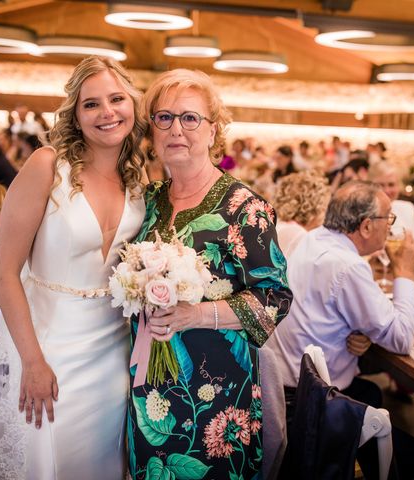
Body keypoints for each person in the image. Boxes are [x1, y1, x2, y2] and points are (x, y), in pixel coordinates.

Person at [0, 56, 147, 479]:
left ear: (132, 103)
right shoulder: (46, 166)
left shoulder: (140, 177)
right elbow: (5, 271)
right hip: (49, 346)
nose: (107, 112)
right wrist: (33, 361)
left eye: (116, 99)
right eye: (91, 104)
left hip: (114, 353)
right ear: (75, 113)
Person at [128, 68, 292, 479]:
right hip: (151, 390)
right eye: (163, 118)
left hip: (217, 394)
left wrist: (194, 314)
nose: (176, 129)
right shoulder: (148, 201)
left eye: (189, 117)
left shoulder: (243, 208)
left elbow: (274, 299)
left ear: (212, 129)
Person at [266, 180, 414, 479]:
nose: (391, 226)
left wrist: (361, 325)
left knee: (371, 392)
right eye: (388, 217)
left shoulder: (314, 239)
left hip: (287, 384)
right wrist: (404, 273)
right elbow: (401, 338)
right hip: (309, 402)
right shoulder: (347, 265)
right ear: (366, 226)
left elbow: (333, 304)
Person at [368, 161, 414, 253]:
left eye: (391, 185)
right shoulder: (363, 212)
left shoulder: (406, 208)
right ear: (370, 187)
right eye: (380, 185)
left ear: (399, 186)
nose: (386, 190)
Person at [273, 170, 330, 257]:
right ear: (315, 207)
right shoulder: (296, 235)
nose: (325, 214)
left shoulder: (279, 224)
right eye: (325, 206)